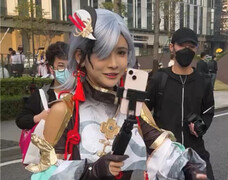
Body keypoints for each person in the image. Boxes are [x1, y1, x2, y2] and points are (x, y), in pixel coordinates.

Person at [26, 9, 207, 180]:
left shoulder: (135, 108)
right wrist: (91, 171)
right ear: (80, 57)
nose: (114, 64)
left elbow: (164, 151)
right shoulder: (64, 110)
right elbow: (47, 173)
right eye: (102, 53)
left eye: (121, 53)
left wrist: (188, 168)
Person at [146, 27, 215, 180]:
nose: (186, 50)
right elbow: (143, 112)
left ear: (196, 49)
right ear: (172, 47)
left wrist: (201, 126)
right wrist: (154, 141)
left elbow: (209, 110)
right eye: (182, 46)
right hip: (165, 155)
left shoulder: (204, 81)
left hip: (196, 152)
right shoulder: (159, 78)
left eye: (191, 47)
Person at [16, 41, 70, 130]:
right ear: (51, 68)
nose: (67, 70)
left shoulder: (83, 92)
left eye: (70, 66)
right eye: (61, 66)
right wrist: (39, 117)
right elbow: (21, 120)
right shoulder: (42, 95)